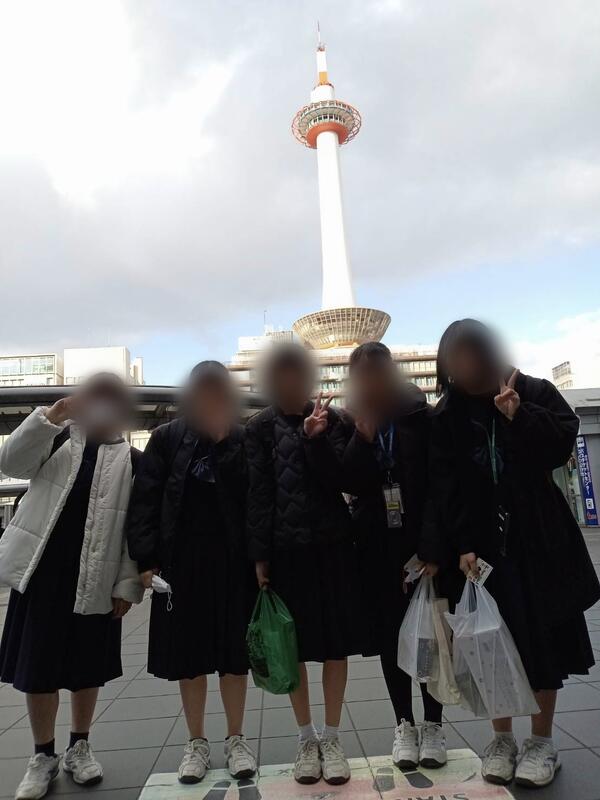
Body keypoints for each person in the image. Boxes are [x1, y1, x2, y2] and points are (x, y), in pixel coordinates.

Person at [429, 319, 600, 789]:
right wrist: (462, 544)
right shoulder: (446, 415)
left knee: (545, 643)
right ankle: (501, 739)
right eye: (455, 359)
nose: (464, 366)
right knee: (491, 645)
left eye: (471, 354)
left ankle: (541, 743)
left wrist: (519, 415)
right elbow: (444, 485)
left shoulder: (530, 389)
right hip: (481, 551)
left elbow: (561, 445)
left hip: (539, 541)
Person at [0, 374, 144, 800]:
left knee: (87, 666)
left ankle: (79, 746)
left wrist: (126, 585)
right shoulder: (57, 438)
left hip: (98, 575)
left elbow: (135, 532)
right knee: (38, 667)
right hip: (40, 572)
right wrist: (54, 413)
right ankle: (42, 755)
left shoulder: (133, 460)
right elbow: (10, 463)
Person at [126, 361, 257, 785]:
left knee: (234, 657)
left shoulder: (242, 437)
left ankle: (236, 739)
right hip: (181, 565)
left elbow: (254, 497)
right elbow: (145, 499)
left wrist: (224, 443)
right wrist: (145, 560)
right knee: (189, 657)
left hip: (233, 564)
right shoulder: (167, 437)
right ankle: (196, 741)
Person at [245, 343, 361, 787]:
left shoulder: (335, 419)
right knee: (290, 648)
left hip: (333, 546)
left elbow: (345, 480)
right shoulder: (259, 427)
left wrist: (316, 439)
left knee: (334, 646)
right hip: (286, 551)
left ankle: (332, 738)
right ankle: (305, 738)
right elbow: (258, 494)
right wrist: (260, 555)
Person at [342, 342, 448, 770]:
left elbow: (439, 483)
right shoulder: (354, 418)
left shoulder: (419, 414)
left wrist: (432, 548)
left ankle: (433, 725)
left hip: (420, 545)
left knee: (429, 637)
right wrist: (362, 439)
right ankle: (404, 724)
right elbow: (348, 482)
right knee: (390, 638)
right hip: (376, 548)